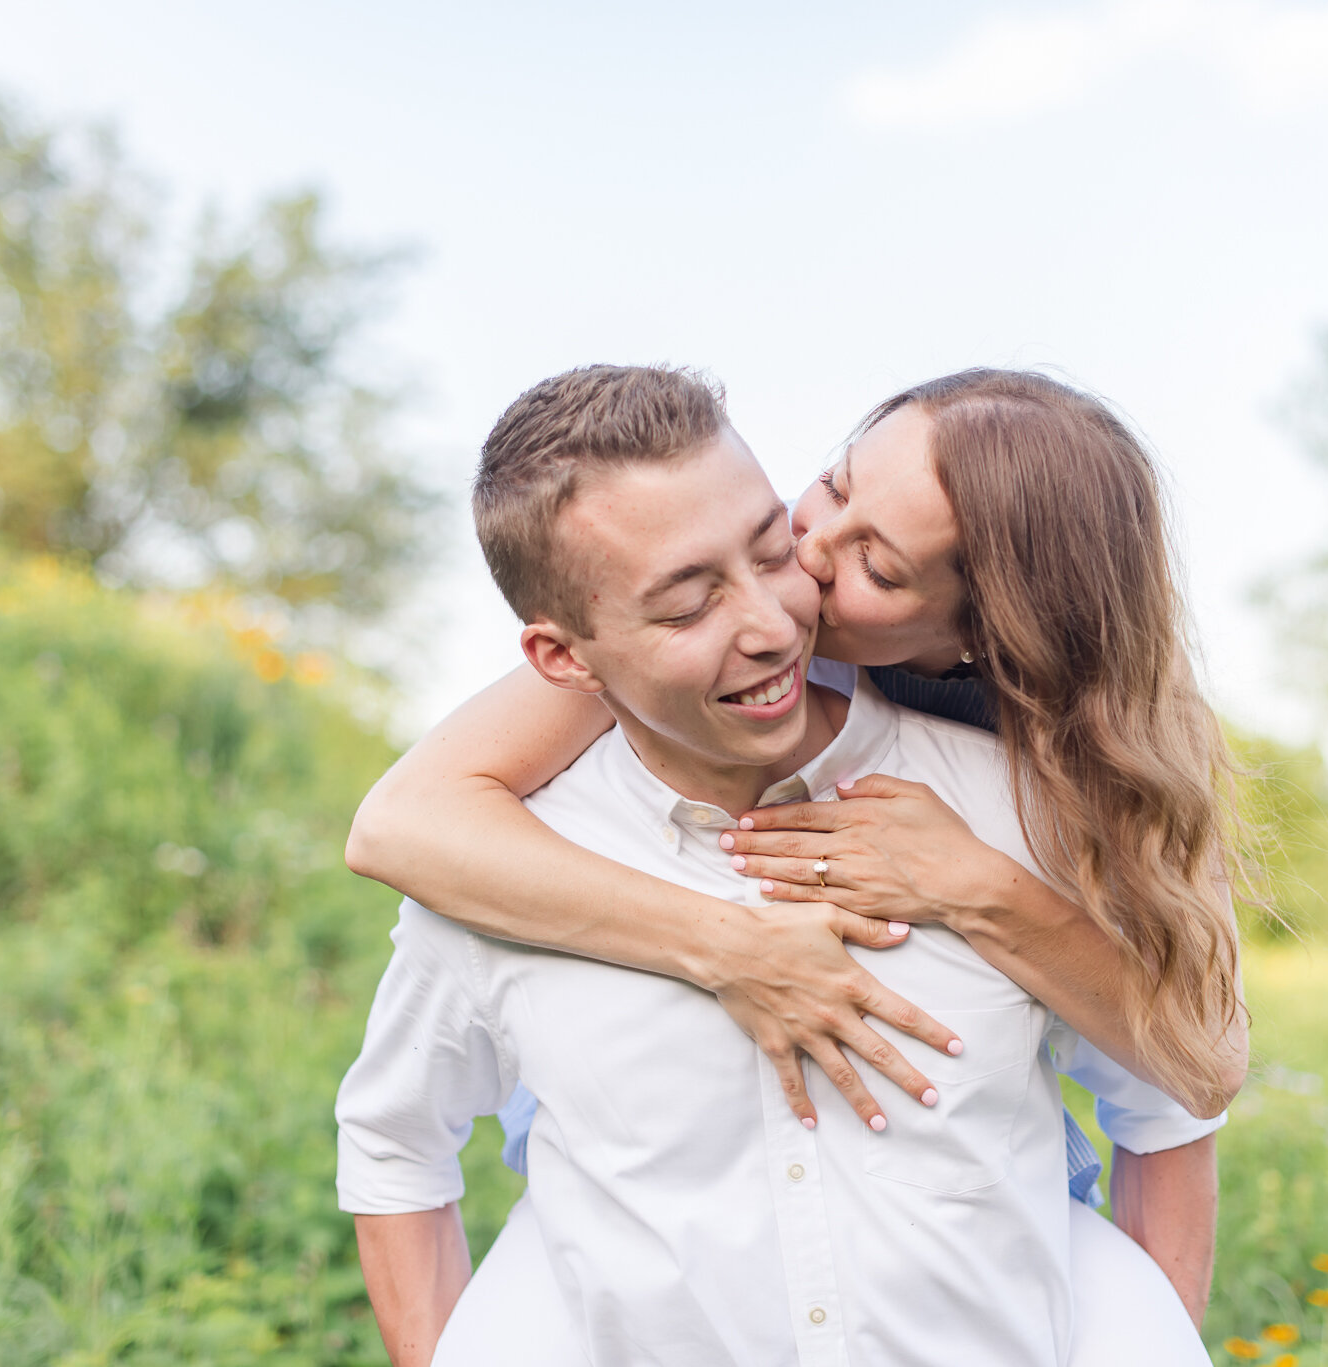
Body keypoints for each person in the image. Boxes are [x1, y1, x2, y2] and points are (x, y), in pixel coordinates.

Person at [336, 364, 1221, 1366]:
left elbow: (1187, 1078)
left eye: (875, 570)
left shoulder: (1050, 799)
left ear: (982, 632)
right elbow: (400, 849)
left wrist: (980, 888)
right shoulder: (517, 833)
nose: (786, 595)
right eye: (828, 492)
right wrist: (724, 944)